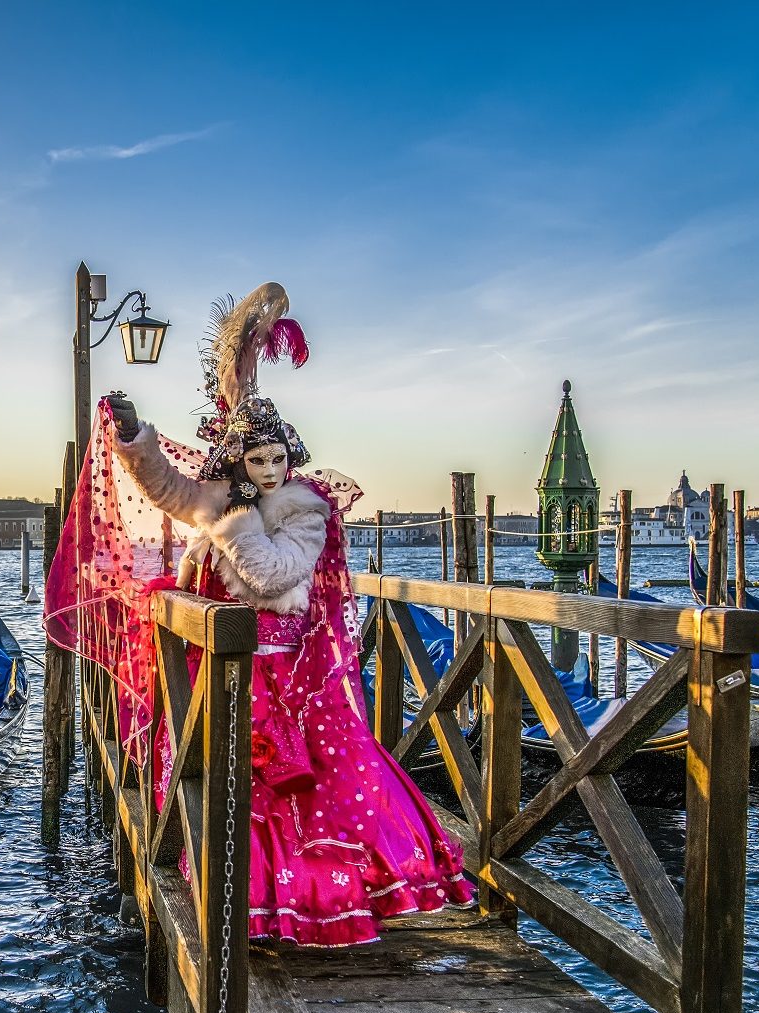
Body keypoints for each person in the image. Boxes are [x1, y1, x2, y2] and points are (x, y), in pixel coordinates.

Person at [77, 282, 471, 947]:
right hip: (220, 665)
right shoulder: (223, 498)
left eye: (275, 458)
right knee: (218, 790)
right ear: (235, 461)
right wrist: (136, 437)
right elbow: (168, 487)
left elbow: (272, 576)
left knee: (293, 794)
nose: (267, 468)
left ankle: (299, 906)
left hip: (283, 680)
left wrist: (230, 519)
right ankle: (238, 900)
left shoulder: (304, 511)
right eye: (253, 459)